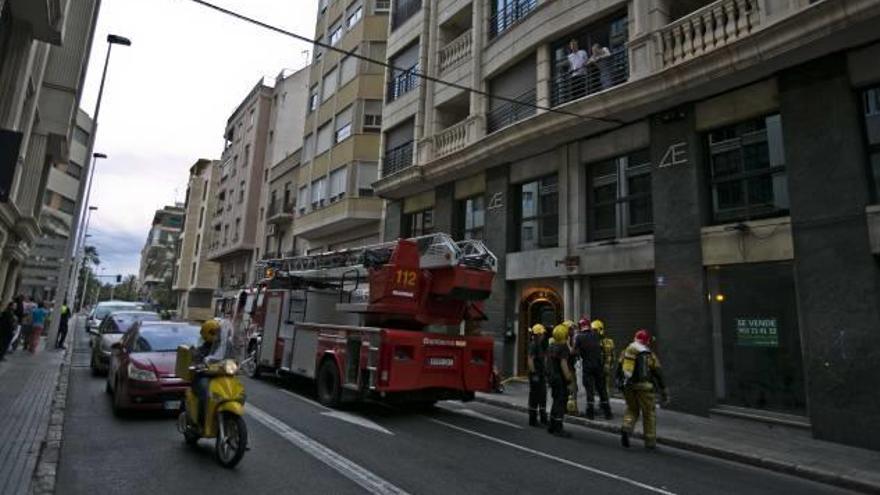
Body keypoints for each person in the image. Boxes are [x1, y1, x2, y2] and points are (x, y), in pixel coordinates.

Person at [618, 329, 668, 450]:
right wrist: (663, 389)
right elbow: (657, 372)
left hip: (629, 386)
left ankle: (626, 427)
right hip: (645, 387)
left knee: (632, 409)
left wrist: (620, 384)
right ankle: (650, 441)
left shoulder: (626, 351)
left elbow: (620, 368)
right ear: (646, 342)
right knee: (649, 413)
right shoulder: (649, 354)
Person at [574, 317, 612, 420]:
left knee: (590, 390)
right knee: (602, 390)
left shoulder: (579, 337)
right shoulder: (596, 335)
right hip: (598, 366)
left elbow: (575, 352)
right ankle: (608, 413)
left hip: (588, 366)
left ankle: (590, 414)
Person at [547, 324, 576, 438]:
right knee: (561, 402)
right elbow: (564, 364)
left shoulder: (551, 345)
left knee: (555, 401)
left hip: (552, 378)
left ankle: (552, 425)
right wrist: (569, 379)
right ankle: (559, 428)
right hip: (560, 379)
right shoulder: (563, 347)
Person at [191, 320, 222, 428]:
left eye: (218, 333)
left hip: (220, 376)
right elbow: (195, 358)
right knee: (205, 392)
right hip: (203, 377)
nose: (216, 335)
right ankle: (201, 421)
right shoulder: (201, 349)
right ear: (206, 333)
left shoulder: (223, 348)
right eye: (213, 332)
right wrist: (198, 364)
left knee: (238, 389)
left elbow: (231, 358)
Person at [526, 323, 548, 427]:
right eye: (542, 333)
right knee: (535, 396)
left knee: (542, 395)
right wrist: (534, 373)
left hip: (541, 374)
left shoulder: (539, 345)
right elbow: (530, 359)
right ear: (538, 334)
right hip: (536, 374)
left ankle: (543, 418)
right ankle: (533, 419)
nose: (543, 335)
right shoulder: (534, 345)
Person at [594, 319, 616, 399]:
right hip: (605, 367)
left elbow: (612, 355)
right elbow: (613, 356)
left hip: (599, 367)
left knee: (601, 386)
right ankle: (605, 402)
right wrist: (610, 365)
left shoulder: (596, 342)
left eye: (595, 330)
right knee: (604, 385)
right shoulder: (610, 341)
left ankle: (604, 402)